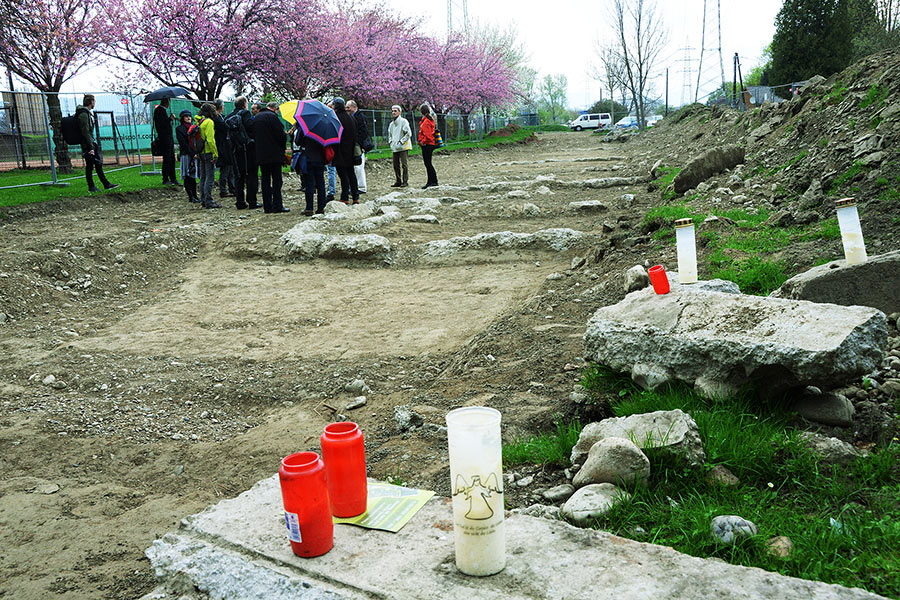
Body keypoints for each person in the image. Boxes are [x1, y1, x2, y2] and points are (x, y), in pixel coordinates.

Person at [76, 94, 118, 192]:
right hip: (88, 144)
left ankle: (105, 184)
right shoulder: (83, 114)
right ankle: (93, 186)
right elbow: (85, 131)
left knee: (97, 164)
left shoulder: (86, 113)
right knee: (91, 165)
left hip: (90, 143)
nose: (94, 103)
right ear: (91, 102)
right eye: (94, 101)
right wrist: (90, 147)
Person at [254, 101, 289, 213]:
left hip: (261, 154)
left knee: (265, 180)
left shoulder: (257, 118)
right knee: (277, 180)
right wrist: (283, 149)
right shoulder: (273, 117)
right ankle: (277, 205)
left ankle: (267, 206)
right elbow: (281, 135)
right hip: (274, 155)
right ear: (275, 109)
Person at [227, 96, 260, 209]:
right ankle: (252, 201)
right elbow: (251, 127)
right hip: (248, 149)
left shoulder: (229, 116)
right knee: (251, 175)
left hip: (236, 149)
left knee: (239, 176)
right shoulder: (245, 114)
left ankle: (240, 201)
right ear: (244, 104)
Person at [331, 97, 359, 204]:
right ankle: (355, 197)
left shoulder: (336, 118)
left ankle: (345, 197)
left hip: (340, 150)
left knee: (343, 175)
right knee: (351, 174)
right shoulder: (351, 117)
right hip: (350, 149)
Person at [296, 130, 327, 216]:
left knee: (309, 184)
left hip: (308, 157)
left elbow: (297, 142)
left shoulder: (304, 127)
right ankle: (321, 207)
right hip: (320, 157)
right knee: (321, 183)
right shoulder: (322, 127)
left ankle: (309, 208)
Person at [197, 103, 221, 208]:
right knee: (210, 177)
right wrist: (215, 154)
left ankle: (203, 199)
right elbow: (211, 140)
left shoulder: (199, 122)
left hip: (201, 152)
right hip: (208, 152)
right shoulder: (209, 122)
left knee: (203, 177)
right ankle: (209, 201)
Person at [175, 109, 200, 203]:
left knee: (193, 176)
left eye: (189, 116)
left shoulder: (194, 128)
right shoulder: (179, 129)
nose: (188, 118)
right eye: (186, 116)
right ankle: (190, 196)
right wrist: (192, 154)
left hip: (194, 154)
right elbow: (183, 144)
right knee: (187, 175)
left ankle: (195, 195)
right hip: (186, 154)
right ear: (182, 118)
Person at [213, 99, 235, 199]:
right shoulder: (217, 118)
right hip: (222, 145)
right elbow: (224, 128)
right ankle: (223, 190)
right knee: (225, 169)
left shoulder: (218, 117)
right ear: (221, 107)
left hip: (224, 145)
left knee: (229, 168)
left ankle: (231, 188)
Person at [346, 100, 370, 194]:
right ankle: (355, 186)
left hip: (358, 145)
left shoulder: (360, 117)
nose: (347, 109)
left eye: (348, 107)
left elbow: (363, 132)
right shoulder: (353, 116)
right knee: (355, 167)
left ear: (354, 107)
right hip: (355, 144)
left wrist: (357, 143)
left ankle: (362, 187)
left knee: (359, 167)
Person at [153, 97, 178, 185]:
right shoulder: (160, 111)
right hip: (165, 138)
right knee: (167, 158)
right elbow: (162, 125)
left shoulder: (161, 111)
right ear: (167, 102)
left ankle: (173, 178)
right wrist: (170, 118)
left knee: (171, 158)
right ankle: (166, 178)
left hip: (168, 138)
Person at [388, 105, 411, 187]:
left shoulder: (404, 122)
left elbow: (408, 133)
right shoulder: (391, 124)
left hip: (403, 147)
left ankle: (405, 181)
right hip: (395, 147)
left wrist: (401, 142)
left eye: (395, 111)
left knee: (404, 164)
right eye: (392, 111)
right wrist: (391, 142)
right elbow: (390, 134)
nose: (393, 112)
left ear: (399, 112)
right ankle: (398, 180)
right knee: (395, 165)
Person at [417, 103, 439, 188]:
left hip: (427, 145)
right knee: (428, 163)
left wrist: (423, 142)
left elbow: (428, 135)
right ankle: (431, 181)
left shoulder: (426, 122)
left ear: (421, 112)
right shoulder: (430, 119)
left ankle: (433, 181)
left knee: (428, 164)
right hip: (430, 144)